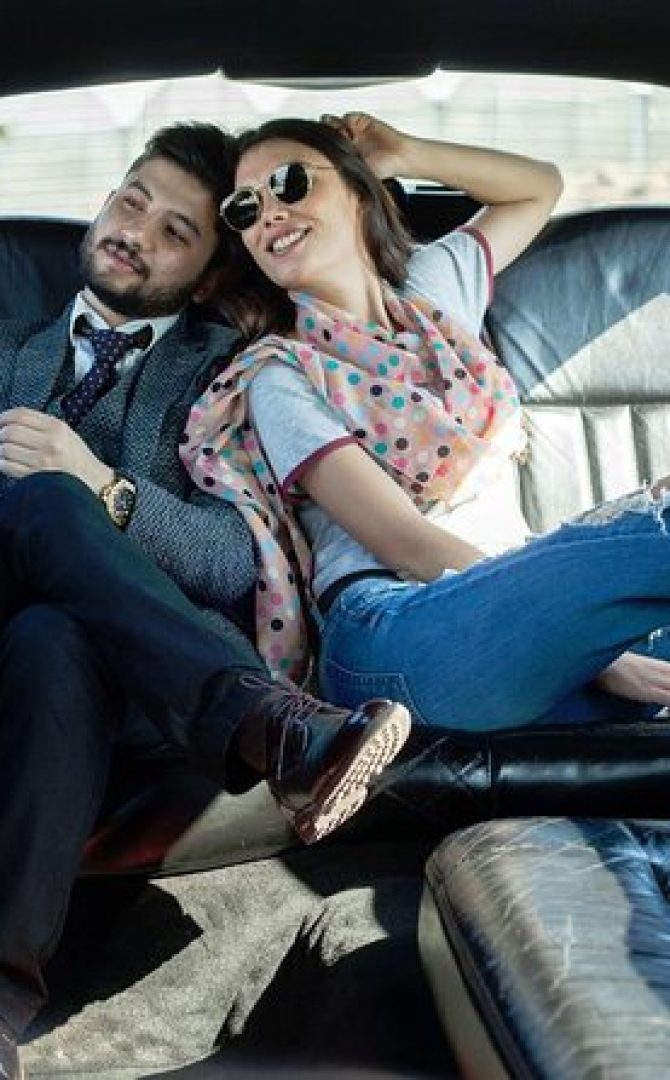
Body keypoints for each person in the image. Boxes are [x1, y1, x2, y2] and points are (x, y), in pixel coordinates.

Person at [0, 122, 410, 1080]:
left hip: (109, 684)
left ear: (206, 276)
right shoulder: (6, 347)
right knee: (41, 506)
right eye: (131, 202)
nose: (136, 232)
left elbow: (237, 562)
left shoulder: (226, 373)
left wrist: (106, 489)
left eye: (176, 232)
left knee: (55, 633)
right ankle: (267, 727)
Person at [181, 110, 670, 739]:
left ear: (359, 191)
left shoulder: (434, 289)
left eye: (290, 182)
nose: (269, 213)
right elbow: (404, 541)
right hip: (395, 633)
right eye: (244, 209)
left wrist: (406, 152)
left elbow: (538, 188)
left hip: (523, 637)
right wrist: (596, 654)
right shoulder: (280, 374)